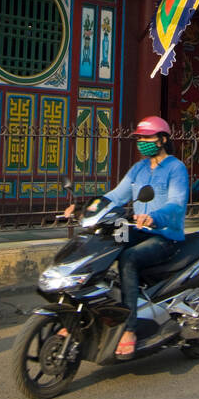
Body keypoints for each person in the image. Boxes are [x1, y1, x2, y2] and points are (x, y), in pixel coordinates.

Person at [63, 116, 188, 359]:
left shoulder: (176, 168)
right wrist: (84, 207)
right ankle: (75, 318)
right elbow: (115, 197)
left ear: (163, 139)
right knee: (98, 245)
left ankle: (129, 329)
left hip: (165, 236)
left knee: (129, 258)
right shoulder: (139, 168)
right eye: (139, 138)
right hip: (138, 231)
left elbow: (176, 204)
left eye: (147, 137)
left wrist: (155, 218)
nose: (142, 142)